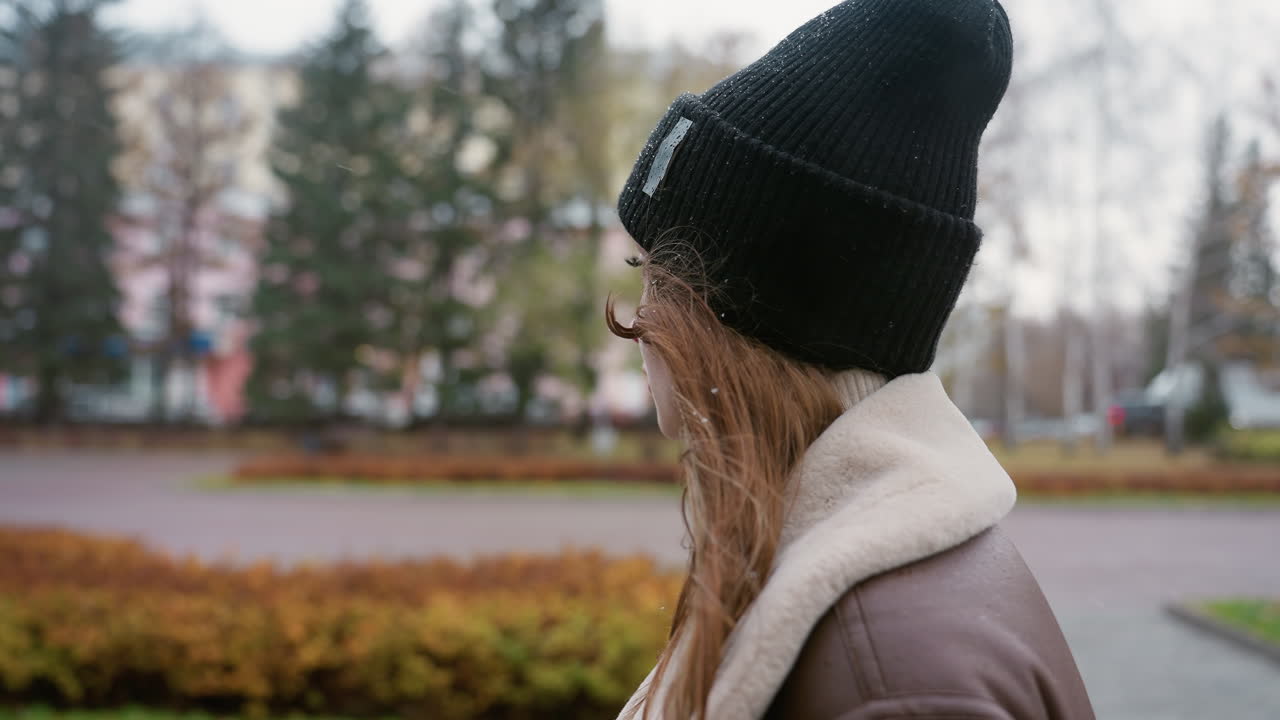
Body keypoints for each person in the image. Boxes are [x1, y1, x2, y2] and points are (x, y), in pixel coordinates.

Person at [602, 0, 1096, 718]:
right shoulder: (874, 578)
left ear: (748, 317)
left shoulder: (889, 683)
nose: (641, 322)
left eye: (657, 278)